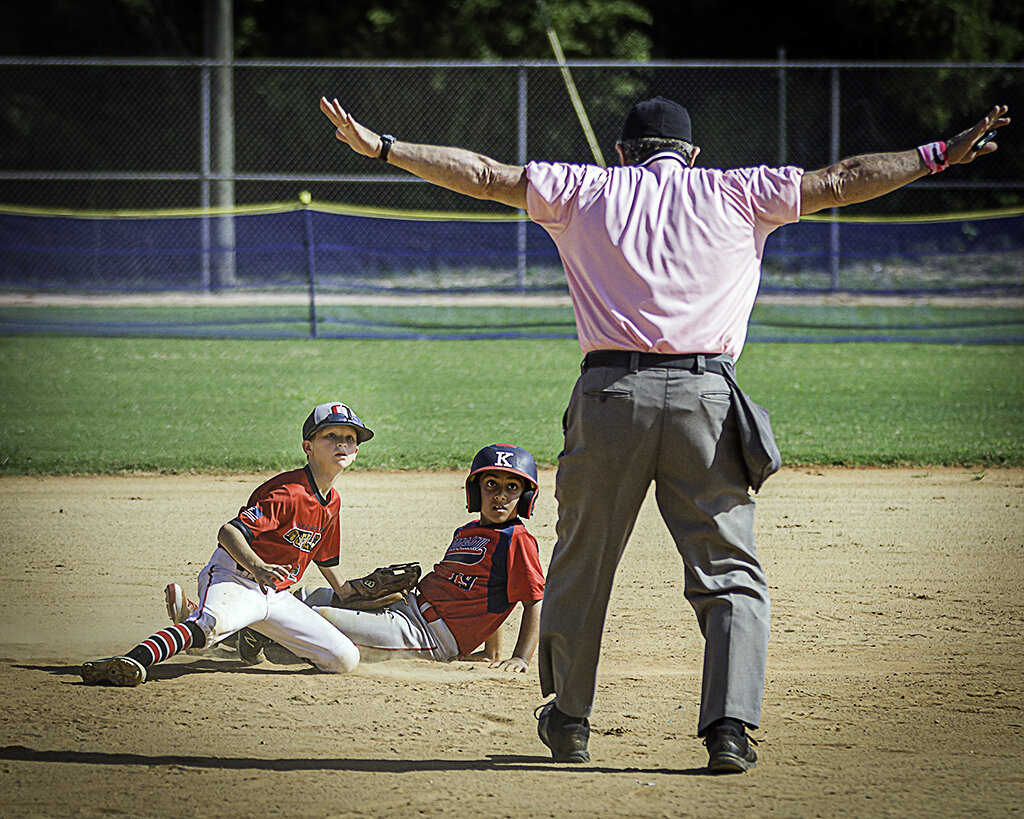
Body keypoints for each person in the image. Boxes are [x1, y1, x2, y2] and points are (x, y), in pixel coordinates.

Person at [317, 95, 1010, 771]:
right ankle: (731, 728)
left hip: (609, 393)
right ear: (692, 154)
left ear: (622, 152)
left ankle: (568, 717)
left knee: (581, 566)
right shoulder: (739, 190)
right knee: (731, 574)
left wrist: (381, 145)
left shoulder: (585, 187)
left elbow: (484, 172)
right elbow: (839, 180)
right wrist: (937, 154)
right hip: (709, 398)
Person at [80, 401, 374, 686]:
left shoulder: (332, 501)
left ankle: (246, 633)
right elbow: (229, 532)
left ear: (356, 450)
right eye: (330, 435)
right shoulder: (289, 492)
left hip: (277, 595)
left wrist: (348, 592)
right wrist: (257, 567)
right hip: (236, 579)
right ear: (307, 447)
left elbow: (324, 557)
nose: (341, 443)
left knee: (344, 659)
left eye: (349, 438)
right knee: (205, 628)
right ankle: (131, 660)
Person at [231, 444, 545, 672]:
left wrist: (519, 657)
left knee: (323, 623)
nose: (501, 495)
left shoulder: (517, 540)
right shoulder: (468, 531)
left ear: (526, 497)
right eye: (491, 485)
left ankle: (251, 636)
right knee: (303, 598)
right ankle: (227, 624)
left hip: (427, 635)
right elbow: (489, 587)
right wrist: (492, 652)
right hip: (404, 606)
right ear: (476, 492)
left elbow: (532, 600)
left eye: (512, 487)